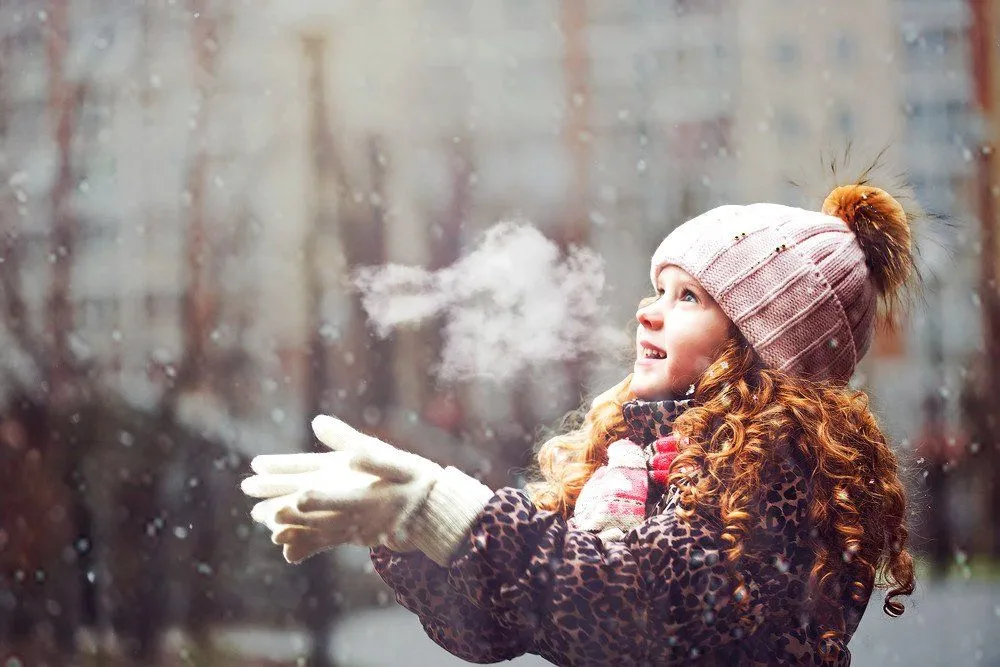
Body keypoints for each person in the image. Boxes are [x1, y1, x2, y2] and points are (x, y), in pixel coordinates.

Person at [241, 182, 918, 665]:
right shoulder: (636, 460)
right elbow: (505, 622)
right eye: (658, 289)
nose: (648, 311)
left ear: (757, 343)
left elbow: (647, 601)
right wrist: (411, 533)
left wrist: (456, 514)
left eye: (689, 297)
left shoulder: (780, 461)